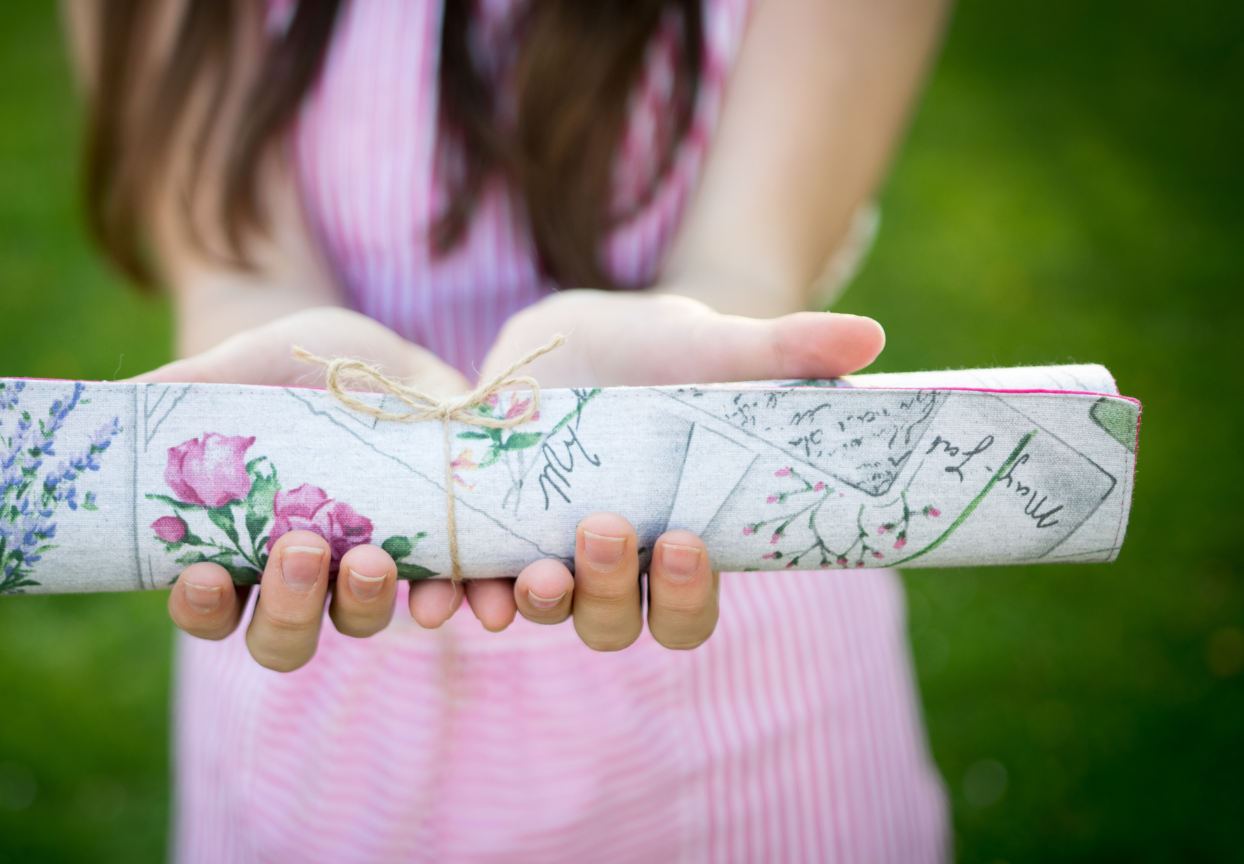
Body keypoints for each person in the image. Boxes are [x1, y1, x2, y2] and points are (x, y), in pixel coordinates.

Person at [66, 0, 952, 859]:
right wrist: (305, 406)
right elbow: (237, 275)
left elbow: (746, 264)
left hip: (703, 571)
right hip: (327, 595)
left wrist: (660, 376)